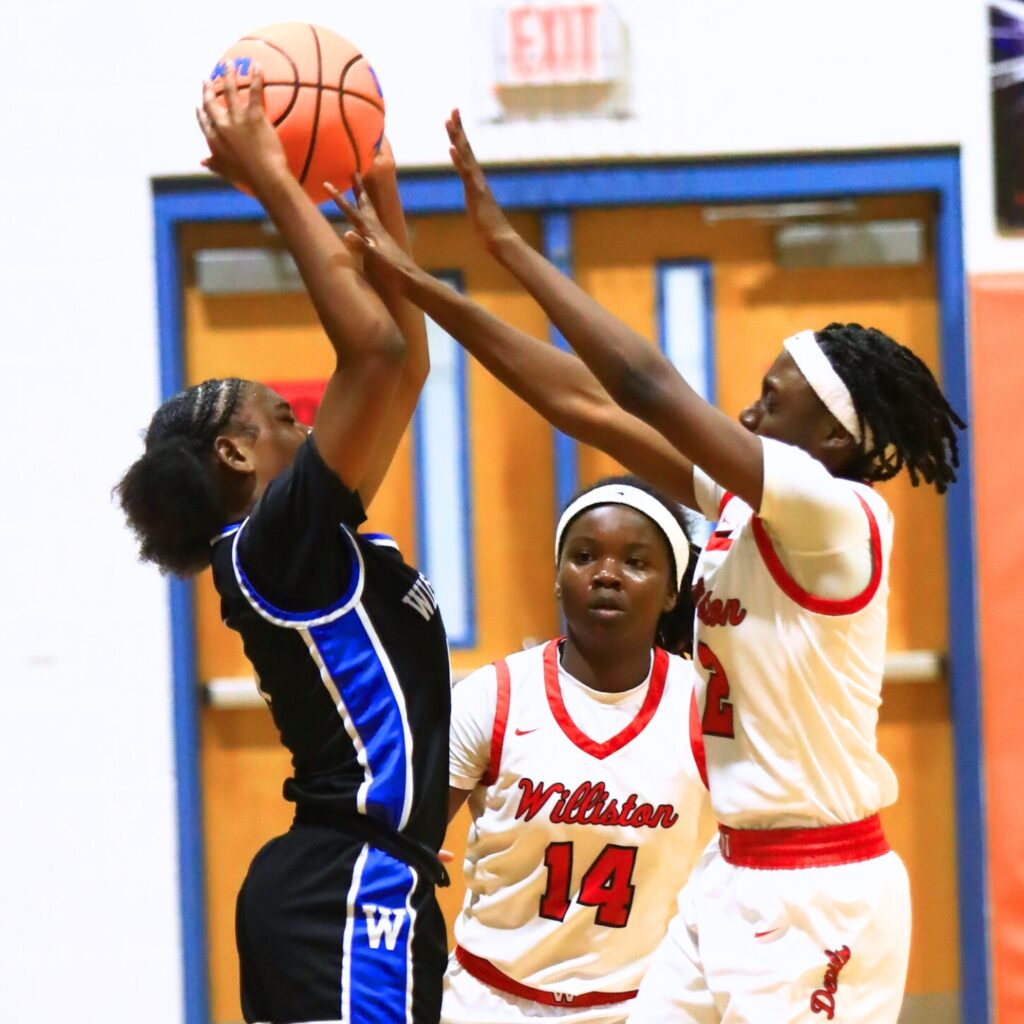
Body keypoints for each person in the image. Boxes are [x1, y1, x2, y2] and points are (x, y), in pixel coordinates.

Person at [336, 110, 966, 1023]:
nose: (745, 419)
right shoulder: (752, 512)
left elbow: (647, 387)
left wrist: (501, 248)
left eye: (769, 404)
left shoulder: (841, 519)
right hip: (733, 875)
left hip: (817, 890)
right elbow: (587, 405)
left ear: (833, 437)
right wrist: (446, 279)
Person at [117, 69, 451, 1024]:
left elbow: (407, 359)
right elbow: (375, 356)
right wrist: (276, 182)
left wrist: (388, 220)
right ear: (233, 450)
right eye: (278, 413)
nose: (301, 418)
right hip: (344, 884)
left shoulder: (303, 539)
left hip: (350, 879)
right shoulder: (273, 547)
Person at [444, 476, 713, 1024]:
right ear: (558, 579)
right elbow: (404, 844)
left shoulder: (704, 706)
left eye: (635, 562)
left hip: (646, 1005)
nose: (607, 575)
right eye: (584, 556)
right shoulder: (493, 697)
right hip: (490, 999)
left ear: (671, 592)